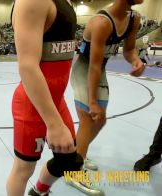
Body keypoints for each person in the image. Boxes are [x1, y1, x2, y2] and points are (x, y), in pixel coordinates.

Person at [6, 0, 93, 196]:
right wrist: (54, 124)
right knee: (24, 168)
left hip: (56, 102)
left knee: (69, 161)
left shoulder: (65, 2)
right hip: (32, 106)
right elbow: (27, 66)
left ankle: (38, 192)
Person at [69, 0, 145, 193]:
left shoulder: (134, 19)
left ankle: (77, 155)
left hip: (98, 71)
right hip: (84, 71)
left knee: (100, 121)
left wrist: (135, 61)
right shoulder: (102, 22)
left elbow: (128, 50)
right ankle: (74, 171)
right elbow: (93, 65)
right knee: (87, 119)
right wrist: (92, 102)